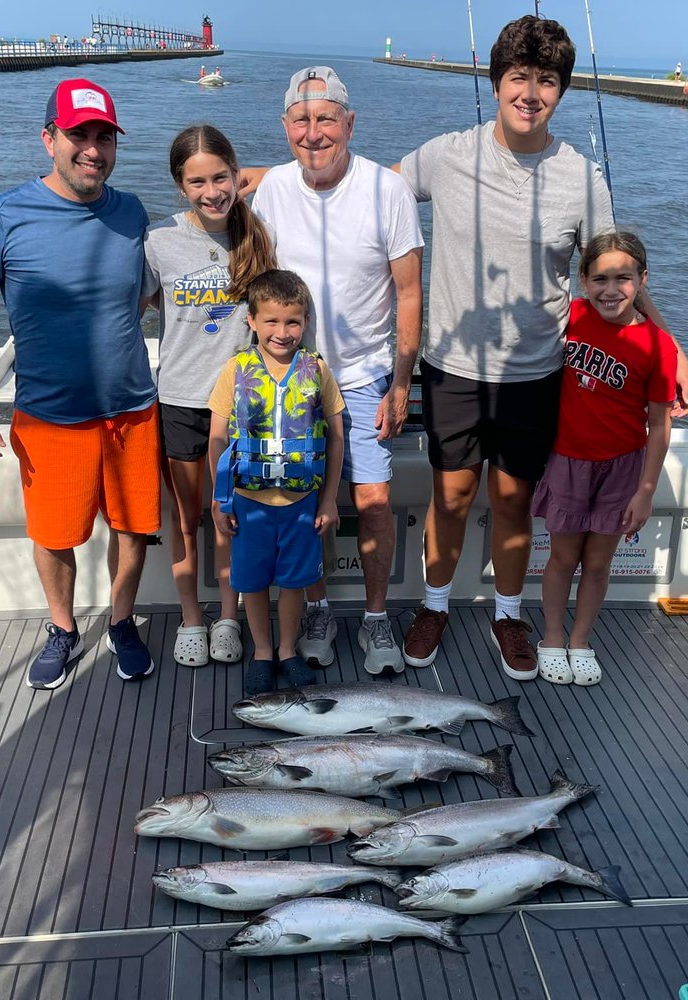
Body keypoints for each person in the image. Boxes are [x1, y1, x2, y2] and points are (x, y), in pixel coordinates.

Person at [394, 15, 688, 680]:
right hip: (450, 366)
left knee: (510, 499)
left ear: (560, 91)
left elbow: (613, 270)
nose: (531, 92)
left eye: (547, 80)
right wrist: (274, 178)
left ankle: (507, 614)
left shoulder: (581, 178)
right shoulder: (445, 154)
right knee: (448, 497)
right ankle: (435, 604)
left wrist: (668, 346)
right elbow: (370, 193)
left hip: (537, 370)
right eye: (519, 77)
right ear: (497, 80)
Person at [0, 78, 160, 690]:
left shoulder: (132, 211)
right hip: (48, 414)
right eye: (78, 135)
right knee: (54, 535)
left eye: (103, 137)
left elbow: (145, 296)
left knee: (132, 528)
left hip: (132, 410)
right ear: (49, 140)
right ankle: (63, 629)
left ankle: (122, 623)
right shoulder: (1, 213)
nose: (92, 149)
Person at [250, 66, 424, 675]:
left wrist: (400, 382)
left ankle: (376, 619)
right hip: (291, 377)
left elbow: (408, 292)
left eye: (327, 118)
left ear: (350, 123)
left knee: (373, 499)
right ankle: (319, 608)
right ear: (285, 127)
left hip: (365, 373)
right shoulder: (270, 188)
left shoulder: (388, 190)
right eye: (301, 119)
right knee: (302, 503)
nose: (314, 132)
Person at [144, 125, 277, 667]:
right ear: (180, 185)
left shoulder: (258, 234)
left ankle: (227, 615)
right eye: (197, 181)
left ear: (236, 174)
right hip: (179, 400)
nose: (212, 191)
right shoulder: (158, 242)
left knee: (228, 514)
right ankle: (190, 620)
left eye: (221, 177)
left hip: (242, 407)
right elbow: (140, 307)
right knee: (183, 518)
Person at [534, 231, 675, 685]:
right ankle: (552, 637)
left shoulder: (659, 346)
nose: (611, 290)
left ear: (642, 281)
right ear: (581, 280)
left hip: (622, 468)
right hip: (567, 460)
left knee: (597, 563)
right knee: (561, 557)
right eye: (599, 279)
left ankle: (581, 639)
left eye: (624, 279)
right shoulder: (569, 316)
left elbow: (660, 423)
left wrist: (646, 490)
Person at [208, 269, 345, 695]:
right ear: (251, 321)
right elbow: (216, 438)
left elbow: (336, 437)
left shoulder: (316, 369)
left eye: (292, 322)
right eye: (271, 321)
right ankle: (262, 652)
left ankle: (287, 649)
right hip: (249, 503)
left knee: (292, 582)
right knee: (251, 582)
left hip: (302, 503)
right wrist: (219, 501)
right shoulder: (236, 369)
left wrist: (328, 501)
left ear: (304, 323)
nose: (282, 332)